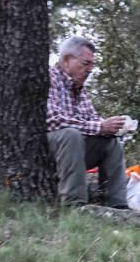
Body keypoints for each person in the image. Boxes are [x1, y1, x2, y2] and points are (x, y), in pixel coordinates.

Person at [46, 36, 129, 208]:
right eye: (86, 64)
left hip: (73, 150)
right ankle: (74, 203)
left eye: (92, 65)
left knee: (111, 142)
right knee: (70, 135)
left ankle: (117, 204)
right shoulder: (49, 79)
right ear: (67, 60)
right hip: (46, 147)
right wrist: (99, 126)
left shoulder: (79, 88)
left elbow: (92, 119)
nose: (90, 70)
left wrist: (111, 127)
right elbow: (53, 119)